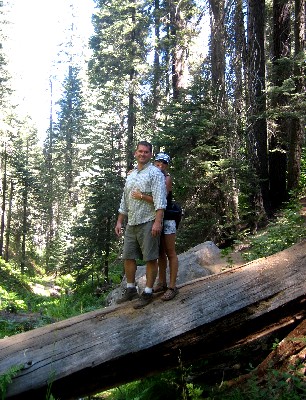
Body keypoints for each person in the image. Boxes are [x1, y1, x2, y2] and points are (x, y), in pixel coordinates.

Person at [115, 141, 167, 309]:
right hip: (132, 221)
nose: (142, 154)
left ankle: (148, 292)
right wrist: (119, 221)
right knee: (128, 256)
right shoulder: (131, 175)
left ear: (150, 155)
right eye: (140, 151)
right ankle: (130, 289)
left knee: (150, 257)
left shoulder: (155, 173)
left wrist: (157, 222)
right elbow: (125, 199)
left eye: (146, 152)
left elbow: (160, 200)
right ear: (135, 153)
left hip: (148, 220)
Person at [132, 152, 179, 301]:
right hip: (154, 219)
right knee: (159, 253)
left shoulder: (167, 179)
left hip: (168, 219)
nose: (161, 165)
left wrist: (141, 196)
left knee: (170, 252)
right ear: (154, 162)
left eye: (164, 163)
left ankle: (172, 287)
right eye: (158, 162)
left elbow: (160, 199)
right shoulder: (151, 175)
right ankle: (162, 282)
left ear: (167, 165)